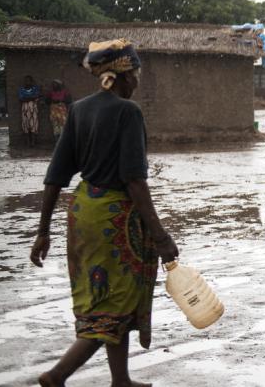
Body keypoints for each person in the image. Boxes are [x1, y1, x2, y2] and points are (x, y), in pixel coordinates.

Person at [30, 39, 179, 387]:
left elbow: (56, 175)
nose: (138, 81)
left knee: (108, 294)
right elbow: (134, 181)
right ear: (125, 76)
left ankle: (121, 380)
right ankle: (57, 375)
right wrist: (160, 236)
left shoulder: (79, 110)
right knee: (118, 304)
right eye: (137, 73)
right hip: (115, 219)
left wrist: (43, 230)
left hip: (83, 213)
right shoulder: (128, 112)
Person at [18, 75, 41, 146]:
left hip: (33, 109)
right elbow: (21, 99)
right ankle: (28, 142)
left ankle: (33, 142)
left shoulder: (35, 88)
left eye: (29, 80)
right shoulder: (21, 89)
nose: (27, 82)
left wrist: (27, 98)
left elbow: (37, 96)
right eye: (26, 80)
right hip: (25, 109)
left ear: (31, 81)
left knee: (34, 124)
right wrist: (32, 98)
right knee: (25, 124)